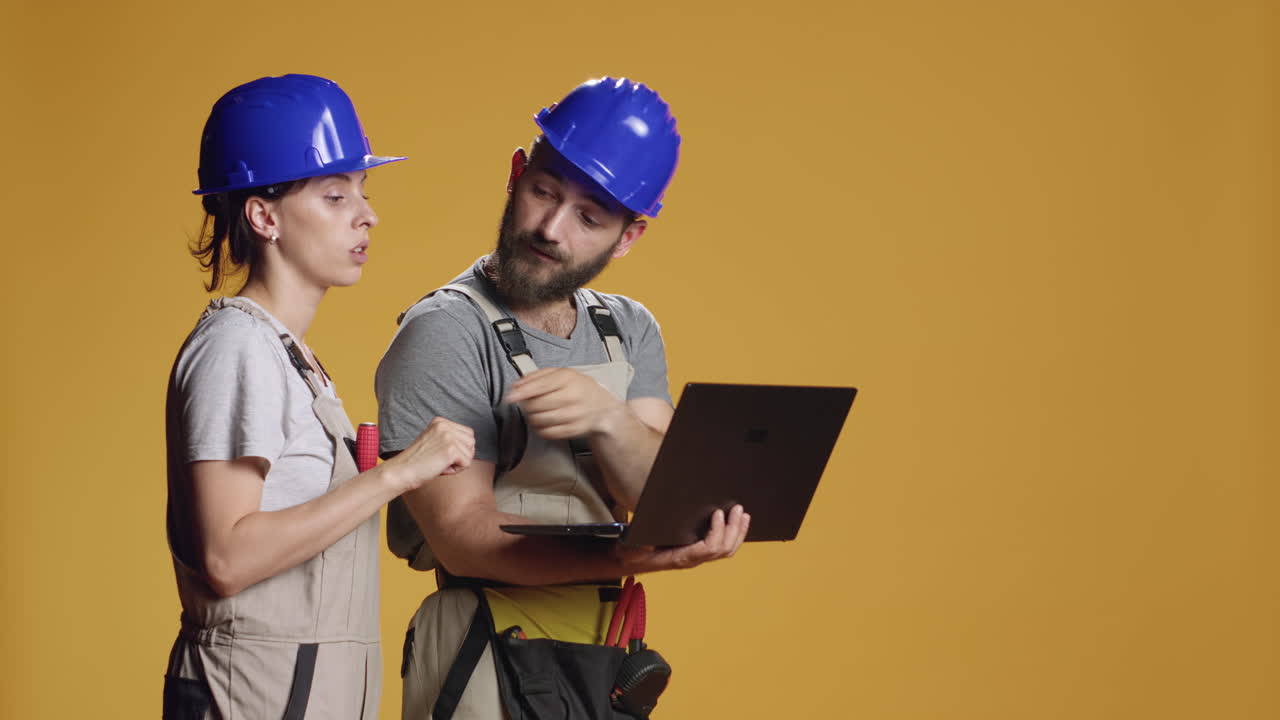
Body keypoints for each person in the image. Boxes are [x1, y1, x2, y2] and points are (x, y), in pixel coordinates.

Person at [375, 76, 751, 718]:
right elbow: (463, 535)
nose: (550, 228)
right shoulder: (446, 331)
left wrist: (609, 420)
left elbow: (655, 495)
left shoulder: (627, 330)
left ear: (627, 237)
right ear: (517, 174)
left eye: (589, 216)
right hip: (486, 640)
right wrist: (628, 554)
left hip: (603, 647)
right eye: (543, 192)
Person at [163, 74, 475, 719]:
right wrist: (396, 475)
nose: (367, 215)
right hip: (250, 697)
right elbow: (226, 556)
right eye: (335, 196)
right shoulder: (237, 348)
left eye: (362, 193)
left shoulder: (289, 356)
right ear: (264, 215)